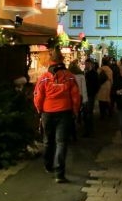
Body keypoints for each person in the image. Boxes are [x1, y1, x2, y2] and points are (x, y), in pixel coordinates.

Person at [33, 53, 81, 183]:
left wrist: (39, 110)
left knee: (48, 140)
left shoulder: (44, 77)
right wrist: (75, 111)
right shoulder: (70, 77)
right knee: (61, 142)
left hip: (47, 112)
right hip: (64, 112)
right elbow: (76, 96)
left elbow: (38, 96)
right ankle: (59, 173)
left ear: (50, 61)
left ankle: (48, 165)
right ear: (62, 60)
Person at [82, 58, 99, 136]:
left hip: (90, 95)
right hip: (87, 95)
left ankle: (89, 130)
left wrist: (93, 92)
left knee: (88, 113)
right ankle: (87, 129)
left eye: (87, 64)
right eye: (85, 64)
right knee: (86, 113)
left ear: (90, 64)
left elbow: (96, 85)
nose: (85, 65)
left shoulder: (93, 73)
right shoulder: (86, 73)